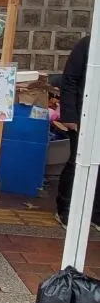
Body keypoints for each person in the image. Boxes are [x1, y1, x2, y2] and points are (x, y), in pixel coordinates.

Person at [56, 35, 98, 227]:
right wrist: (70, 116)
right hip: (84, 114)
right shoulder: (88, 43)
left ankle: (95, 213)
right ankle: (65, 209)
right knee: (77, 162)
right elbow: (70, 80)